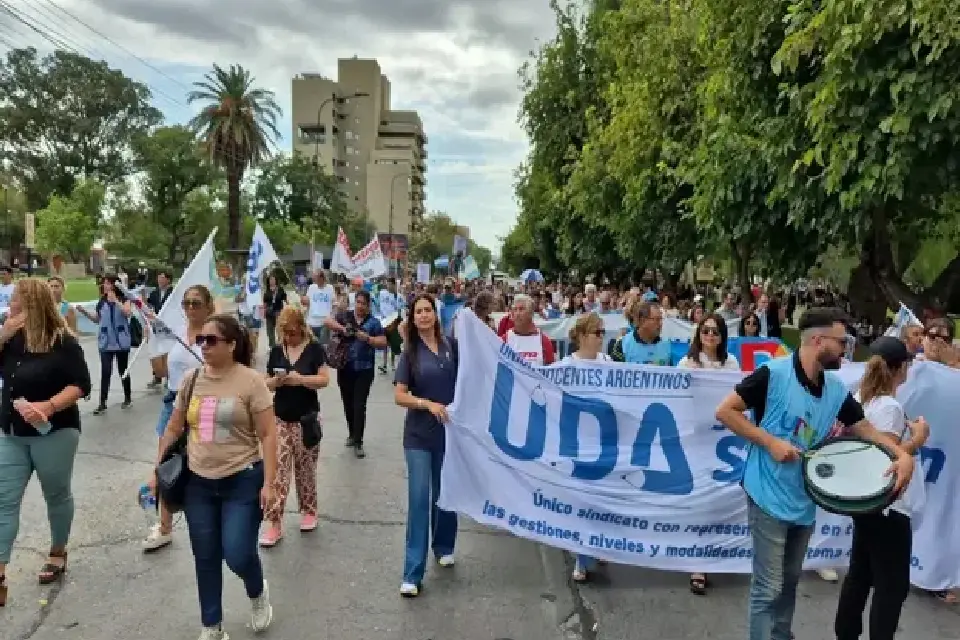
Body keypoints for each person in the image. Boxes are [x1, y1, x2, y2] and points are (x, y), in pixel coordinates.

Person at [715, 307, 915, 640]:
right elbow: (725, 411)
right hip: (766, 493)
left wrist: (900, 455)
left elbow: (866, 429)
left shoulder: (835, 389)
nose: (845, 349)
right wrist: (769, 442)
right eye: (841, 341)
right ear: (818, 340)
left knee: (790, 580)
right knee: (769, 587)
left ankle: (780, 635)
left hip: (804, 498)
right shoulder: (772, 374)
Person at [149, 314, 277, 639]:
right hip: (198, 484)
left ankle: (257, 591)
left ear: (232, 345)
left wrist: (270, 483)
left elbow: (268, 434)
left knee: (237, 553)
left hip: (242, 480)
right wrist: (156, 471)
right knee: (205, 555)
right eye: (201, 340)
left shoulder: (250, 381)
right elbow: (174, 427)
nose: (203, 345)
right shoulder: (192, 380)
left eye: (211, 340)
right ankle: (212, 626)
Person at [0, 278, 92, 606]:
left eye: (15, 301)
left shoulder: (62, 341)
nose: (10, 306)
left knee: (56, 494)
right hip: (11, 432)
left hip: (54, 432)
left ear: (33, 305)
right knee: (4, 499)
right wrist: (3, 335)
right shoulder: (8, 338)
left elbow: (81, 385)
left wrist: (48, 406)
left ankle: (57, 551)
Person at [834, 336, 929, 640]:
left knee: (861, 574)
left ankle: (846, 633)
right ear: (901, 368)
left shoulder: (863, 399)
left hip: (868, 502)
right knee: (892, 585)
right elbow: (887, 455)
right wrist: (918, 438)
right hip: (888, 504)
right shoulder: (888, 405)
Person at [393, 294, 459, 597]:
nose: (423, 315)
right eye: (418, 311)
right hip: (418, 436)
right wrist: (426, 403)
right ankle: (412, 572)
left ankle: (444, 545)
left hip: (450, 434)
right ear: (412, 317)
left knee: (445, 494)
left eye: (428, 310)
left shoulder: (452, 347)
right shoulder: (409, 353)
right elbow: (399, 395)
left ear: (435, 314)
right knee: (420, 499)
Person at [143, 285, 212, 553]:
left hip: (204, 405)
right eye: (186, 304)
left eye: (196, 303)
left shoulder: (214, 335)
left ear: (208, 306)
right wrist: (154, 342)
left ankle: (206, 523)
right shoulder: (175, 335)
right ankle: (164, 526)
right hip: (173, 402)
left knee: (202, 465)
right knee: (165, 464)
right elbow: (160, 371)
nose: (191, 308)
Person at [677, 313, 739, 595]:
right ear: (698, 334)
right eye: (706, 331)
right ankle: (697, 563)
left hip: (723, 440)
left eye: (716, 331)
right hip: (696, 439)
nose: (710, 336)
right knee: (699, 501)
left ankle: (717, 551)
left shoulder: (732, 364)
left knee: (719, 499)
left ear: (723, 335)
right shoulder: (687, 363)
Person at [260, 307, 329, 547]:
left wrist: (300, 379)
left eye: (292, 332)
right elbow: (264, 384)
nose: (288, 337)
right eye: (284, 333)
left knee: (306, 469)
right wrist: (277, 380)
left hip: (306, 420)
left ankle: (309, 510)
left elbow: (324, 379)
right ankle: (274, 523)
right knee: (278, 473)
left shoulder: (314, 349)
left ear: (301, 327)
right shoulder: (277, 351)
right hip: (280, 420)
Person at [555, 313, 612, 583]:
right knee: (581, 501)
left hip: (604, 443)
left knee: (601, 500)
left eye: (603, 332)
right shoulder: (566, 365)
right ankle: (581, 557)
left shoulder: (609, 364)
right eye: (597, 332)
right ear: (582, 335)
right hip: (577, 444)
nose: (601, 337)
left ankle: (599, 544)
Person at [325, 290, 387, 458]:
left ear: (368, 305)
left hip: (364, 370)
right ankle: (352, 434)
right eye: (358, 302)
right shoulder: (345, 316)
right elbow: (328, 321)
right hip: (344, 367)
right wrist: (343, 329)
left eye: (363, 303)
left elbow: (383, 342)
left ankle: (359, 442)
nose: (360, 306)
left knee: (359, 405)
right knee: (348, 403)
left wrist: (367, 338)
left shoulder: (374, 323)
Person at [76, 274, 133, 414]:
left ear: (115, 285)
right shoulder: (101, 301)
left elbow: (127, 313)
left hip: (121, 341)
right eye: (104, 283)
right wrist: (84, 312)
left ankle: (127, 397)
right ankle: (102, 402)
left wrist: (117, 302)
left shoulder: (124, 299)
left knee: (123, 370)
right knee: (105, 371)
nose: (105, 286)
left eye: (108, 283)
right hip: (106, 342)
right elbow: (97, 319)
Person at [500, 294, 555, 366]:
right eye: (515, 309)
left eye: (521, 309)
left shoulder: (543, 341)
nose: (517, 313)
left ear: (531, 313)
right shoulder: (505, 340)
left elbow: (550, 370)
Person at [146, 270, 174, 389]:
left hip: (168, 325)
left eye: (163, 278)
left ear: (168, 280)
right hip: (155, 325)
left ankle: (169, 377)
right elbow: (149, 306)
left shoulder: (173, 293)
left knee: (167, 351)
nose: (160, 280)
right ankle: (157, 376)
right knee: (156, 350)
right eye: (159, 278)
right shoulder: (154, 293)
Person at [302, 270, 335, 344]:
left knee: (323, 345)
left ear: (322, 278)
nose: (314, 279)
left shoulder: (330, 288)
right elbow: (306, 301)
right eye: (314, 277)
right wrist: (304, 300)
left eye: (316, 277)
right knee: (311, 345)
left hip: (325, 322)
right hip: (311, 321)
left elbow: (333, 302)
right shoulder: (311, 287)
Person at [262, 274, 287, 350]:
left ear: (276, 280)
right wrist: (263, 312)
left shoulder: (280, 289)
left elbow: (285, 299)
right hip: (269, 314)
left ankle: (281, 347)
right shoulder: (267, 290)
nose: (272, 281)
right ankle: (272, 347)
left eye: (273, 279)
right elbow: (265, 303)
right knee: (270, 332)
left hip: (278, 313)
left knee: (279, 330)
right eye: (270, 280)